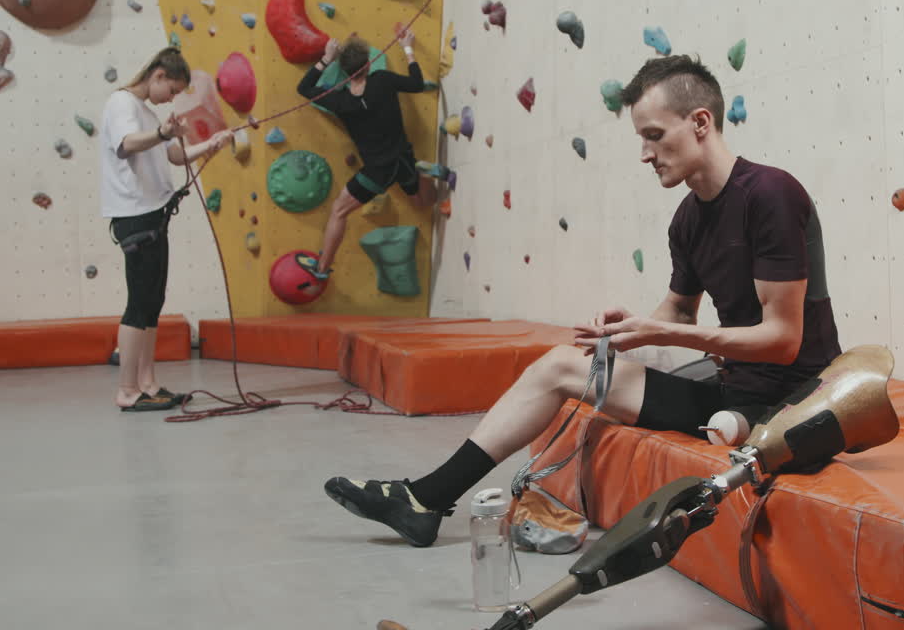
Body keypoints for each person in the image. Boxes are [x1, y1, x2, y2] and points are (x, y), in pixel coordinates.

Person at [323, 55, 843, 547]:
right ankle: (425, 499)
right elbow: (680, 311)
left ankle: (427, 497)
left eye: (654, 136)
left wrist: (663, 332)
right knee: (560, 366)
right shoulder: (688, 219)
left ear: (701, 122)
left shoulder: (770, 195)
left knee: (697, 403)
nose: (645, 154)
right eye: (641, 139)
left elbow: (782, 340)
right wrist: (628, 329)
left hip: (795, 405)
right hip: (733, 389)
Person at [100, 47, 232, 412]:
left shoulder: (146, 112)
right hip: (135, 214)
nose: (171, 98)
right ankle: (127, 390)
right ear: (158, 75)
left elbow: (174, 155)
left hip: (153, 213)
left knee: (153, 302)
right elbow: (126, 145)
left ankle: (148, 382)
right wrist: (161, 132)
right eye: (171, 90)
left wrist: (210, 144)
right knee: (139, 302)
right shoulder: (122, 103)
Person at [296, 30, 453, 279]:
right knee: (423, 201)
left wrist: (326, 58)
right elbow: (416, 83)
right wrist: (407, 48)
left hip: (378, 170)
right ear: (368, 64)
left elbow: (304, 88)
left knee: (339, 210)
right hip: (403, 156)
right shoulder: (382, 80)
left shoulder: (339, 100)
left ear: (344, 70)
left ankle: (322, 268)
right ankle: (422, 171)